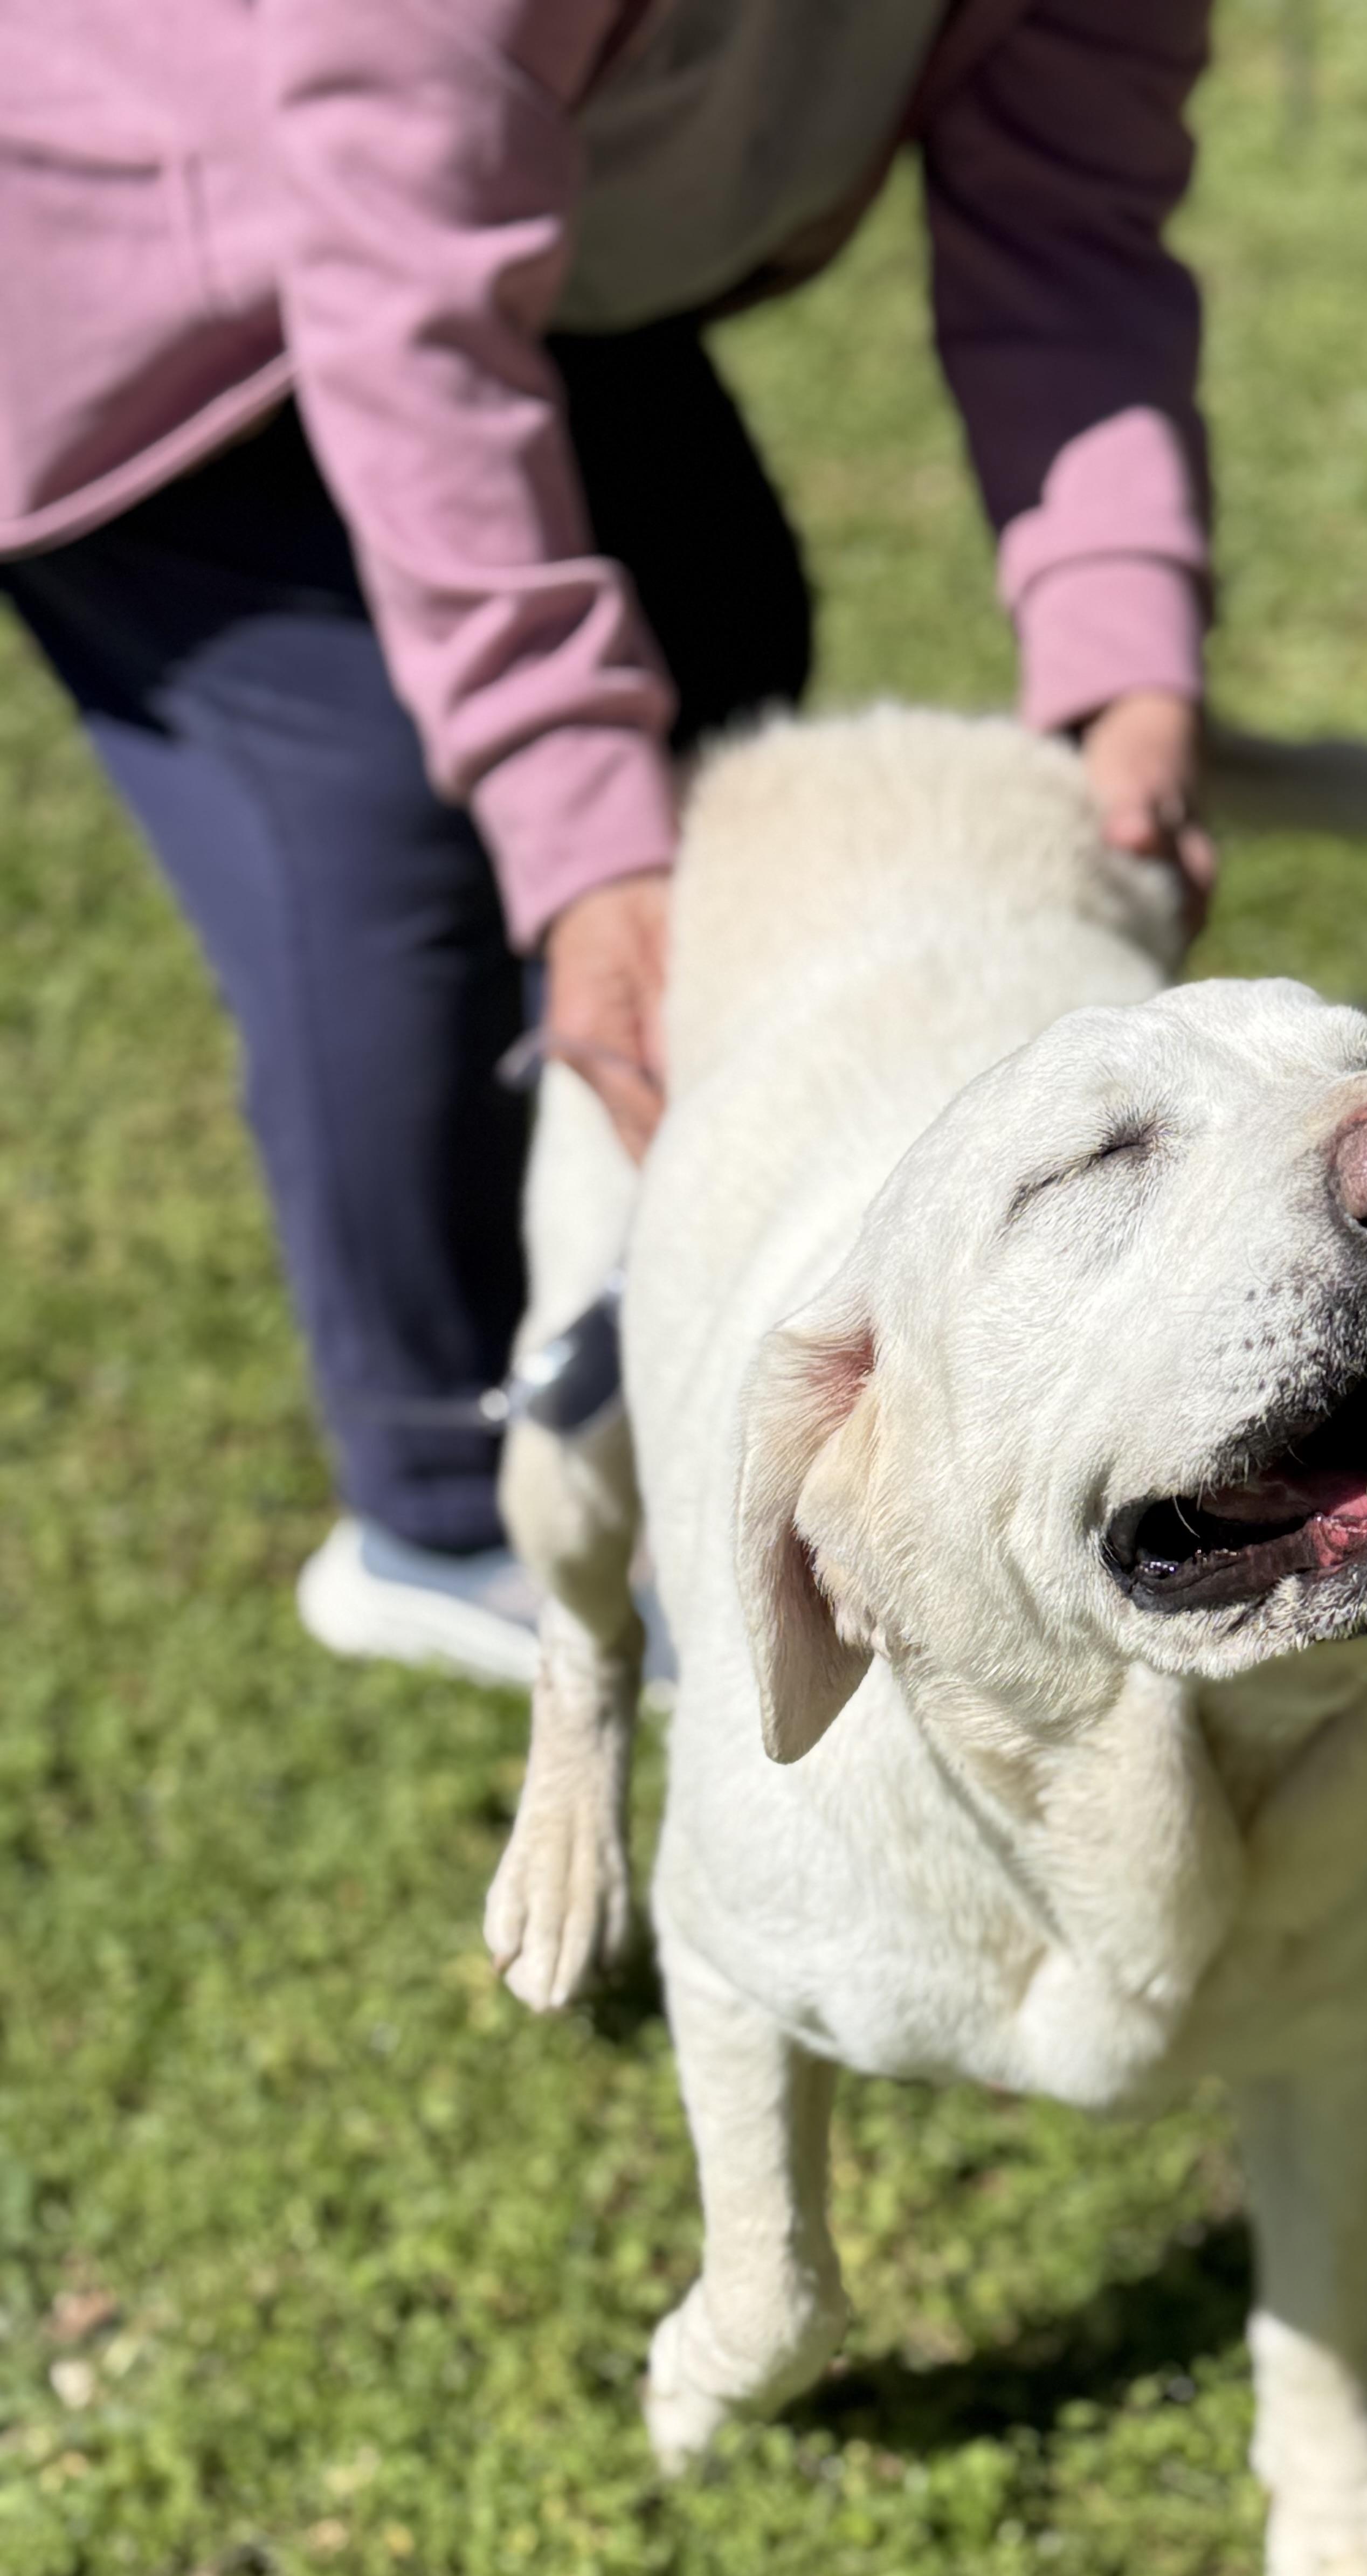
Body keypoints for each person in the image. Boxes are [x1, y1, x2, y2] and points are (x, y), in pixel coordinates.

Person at [0, 0, 1216, 1679]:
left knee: (720, 625)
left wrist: (1119, 647)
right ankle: (442, 1507)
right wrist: (573, 826)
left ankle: (625, 1316)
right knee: (391, 836)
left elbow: (1069, 237)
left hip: (494, 238)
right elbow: (401, 314)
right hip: (118, 266)